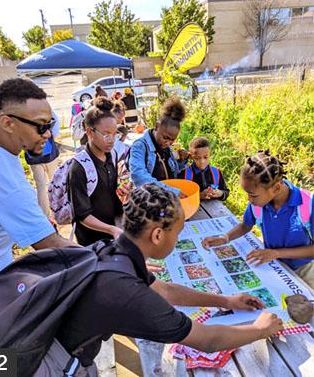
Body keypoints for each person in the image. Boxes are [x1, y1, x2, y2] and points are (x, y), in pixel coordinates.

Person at [52, 184, 282, 374]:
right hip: (42, 362)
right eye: (178, 232)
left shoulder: (113, 251)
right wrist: (260, 329)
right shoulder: (129, 291)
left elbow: (166, 291)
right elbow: (206, 339)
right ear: (158, 235)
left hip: (30, 338)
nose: (178, 239)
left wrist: (226, 301)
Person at [0, 78, 77, 281]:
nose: (48, 134)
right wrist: (115, 261)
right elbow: (51, 244)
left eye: (51, 124)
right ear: (8, 123)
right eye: (40, 126)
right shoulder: (5, 179)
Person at [203, 150, 314, 287]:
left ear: (276, 188)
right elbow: (246, 225)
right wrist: (225, 238)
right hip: (274, 265)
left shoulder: (308, 205)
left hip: (303, 270)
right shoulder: (259, 203)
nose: (249, 200)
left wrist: (276, 253)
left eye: (253, 195)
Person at [68, 96, 130, 246]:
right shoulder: (79, 168)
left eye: (115, 134)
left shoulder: (112, 156)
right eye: (106, 134)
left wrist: (123, 192)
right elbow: (82, 216)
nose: (112, 140)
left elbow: (110, 192)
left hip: (112, 230)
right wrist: (112, 230)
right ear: (89, 132)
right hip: (91, 240)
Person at [128, 97, 190, 195]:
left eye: (172, 140)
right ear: (157, 126)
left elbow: (171, 171)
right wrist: (171, 192)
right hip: (147, 200)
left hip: (165, 200)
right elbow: (138, 176)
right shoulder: (139, 146)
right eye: (165, 137)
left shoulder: (166, 148)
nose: (168, 143)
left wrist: (182, 161)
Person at [25, 112, 61, 218]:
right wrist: (51, 136)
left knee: (40, 187)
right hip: (49, 152)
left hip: (33, 155)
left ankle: (45, 217)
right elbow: (56, 124)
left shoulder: (21, 112)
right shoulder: (43, 108)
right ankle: (57, 213)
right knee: (54, 183)